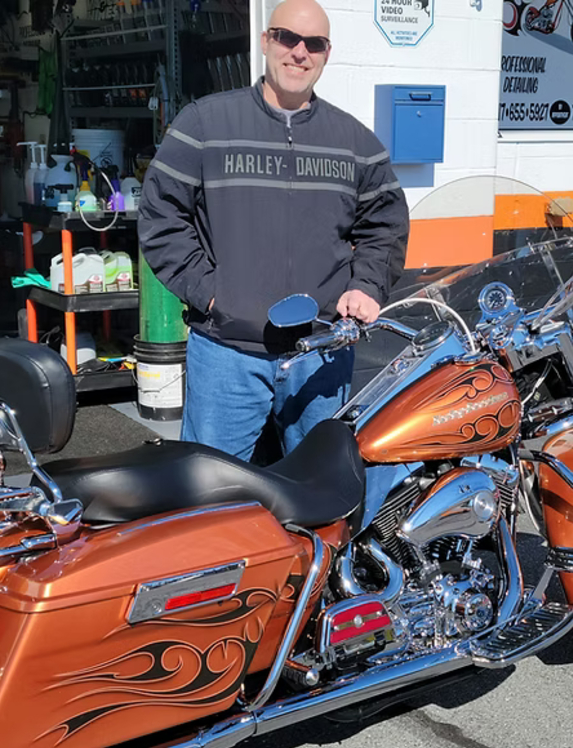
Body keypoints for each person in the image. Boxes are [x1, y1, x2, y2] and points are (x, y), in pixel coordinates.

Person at [138, 0, 409, 461]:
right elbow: (161, 216)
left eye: (314, 44)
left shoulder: (355, 142)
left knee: (319, 494)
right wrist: (211, 292)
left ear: (327, 54)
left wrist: (366, 284)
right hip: (228, 353)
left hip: (320, 353)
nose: (299, 52)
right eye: (287, 37)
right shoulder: (205, 125)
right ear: (265, 42)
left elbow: (386, 223)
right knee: (213, 496)